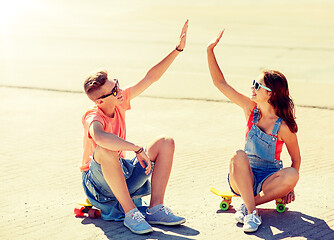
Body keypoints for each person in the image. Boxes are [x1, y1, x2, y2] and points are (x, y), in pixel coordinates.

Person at [81, 20, 188, 235]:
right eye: (113, 91)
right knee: (105, 150)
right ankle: (131, 213)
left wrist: (178, 49)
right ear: (100, 101)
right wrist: (136, 149)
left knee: (165, 142)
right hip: (99, 185)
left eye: (117, 85)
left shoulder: (120, 101)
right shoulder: (93, 115)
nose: (119, 91)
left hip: (123, 172)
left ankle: (155, 208)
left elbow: (151, 77)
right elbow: (100, 138)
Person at [207, 29, 301, 233]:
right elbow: (219, 83)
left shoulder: (283, 126)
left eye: (257, 85)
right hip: (243, 177)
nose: (252, 87)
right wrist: (209, 51)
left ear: (271, 94)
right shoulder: (251, 110)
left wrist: (289, 187)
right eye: (253, 83)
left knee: (293, 174)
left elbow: (296, 160)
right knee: (238, 155)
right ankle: (252, 212)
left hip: (269, 180)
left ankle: (249, 205)